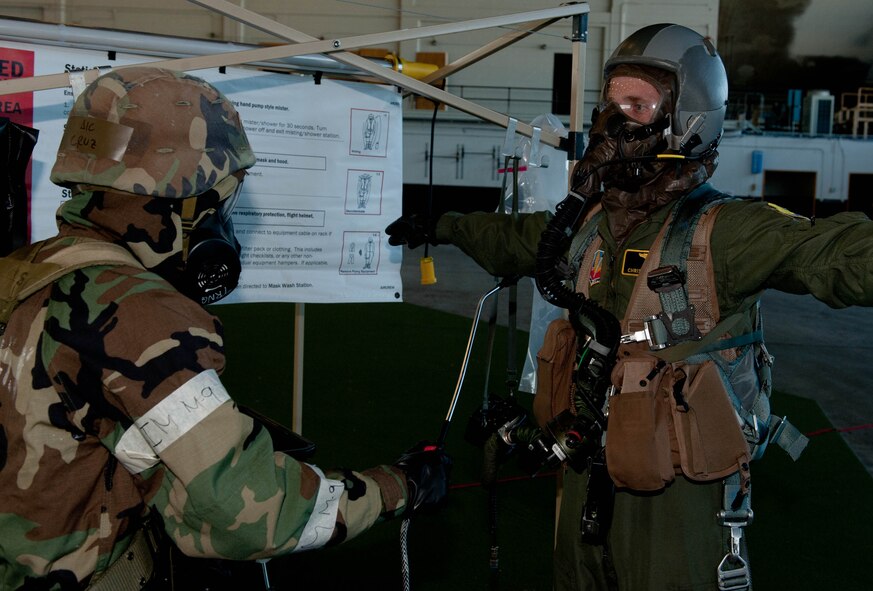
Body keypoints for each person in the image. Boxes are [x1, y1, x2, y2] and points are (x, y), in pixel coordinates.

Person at [386, 23, 873, 591]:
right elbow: (516, 239)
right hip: (587, 466)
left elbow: (835, 254)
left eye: (638, 106)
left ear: (688, 121)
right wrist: (440, 225)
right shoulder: (588, 223)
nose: (615, 123)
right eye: (611, 104)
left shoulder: (725, 232)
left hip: (676, 489)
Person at [0, 66, 449, 590]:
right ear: (188, 198)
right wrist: (401, 486)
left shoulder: (26, 270)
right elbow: (253, 513)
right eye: (224, 194)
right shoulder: (138, 313)